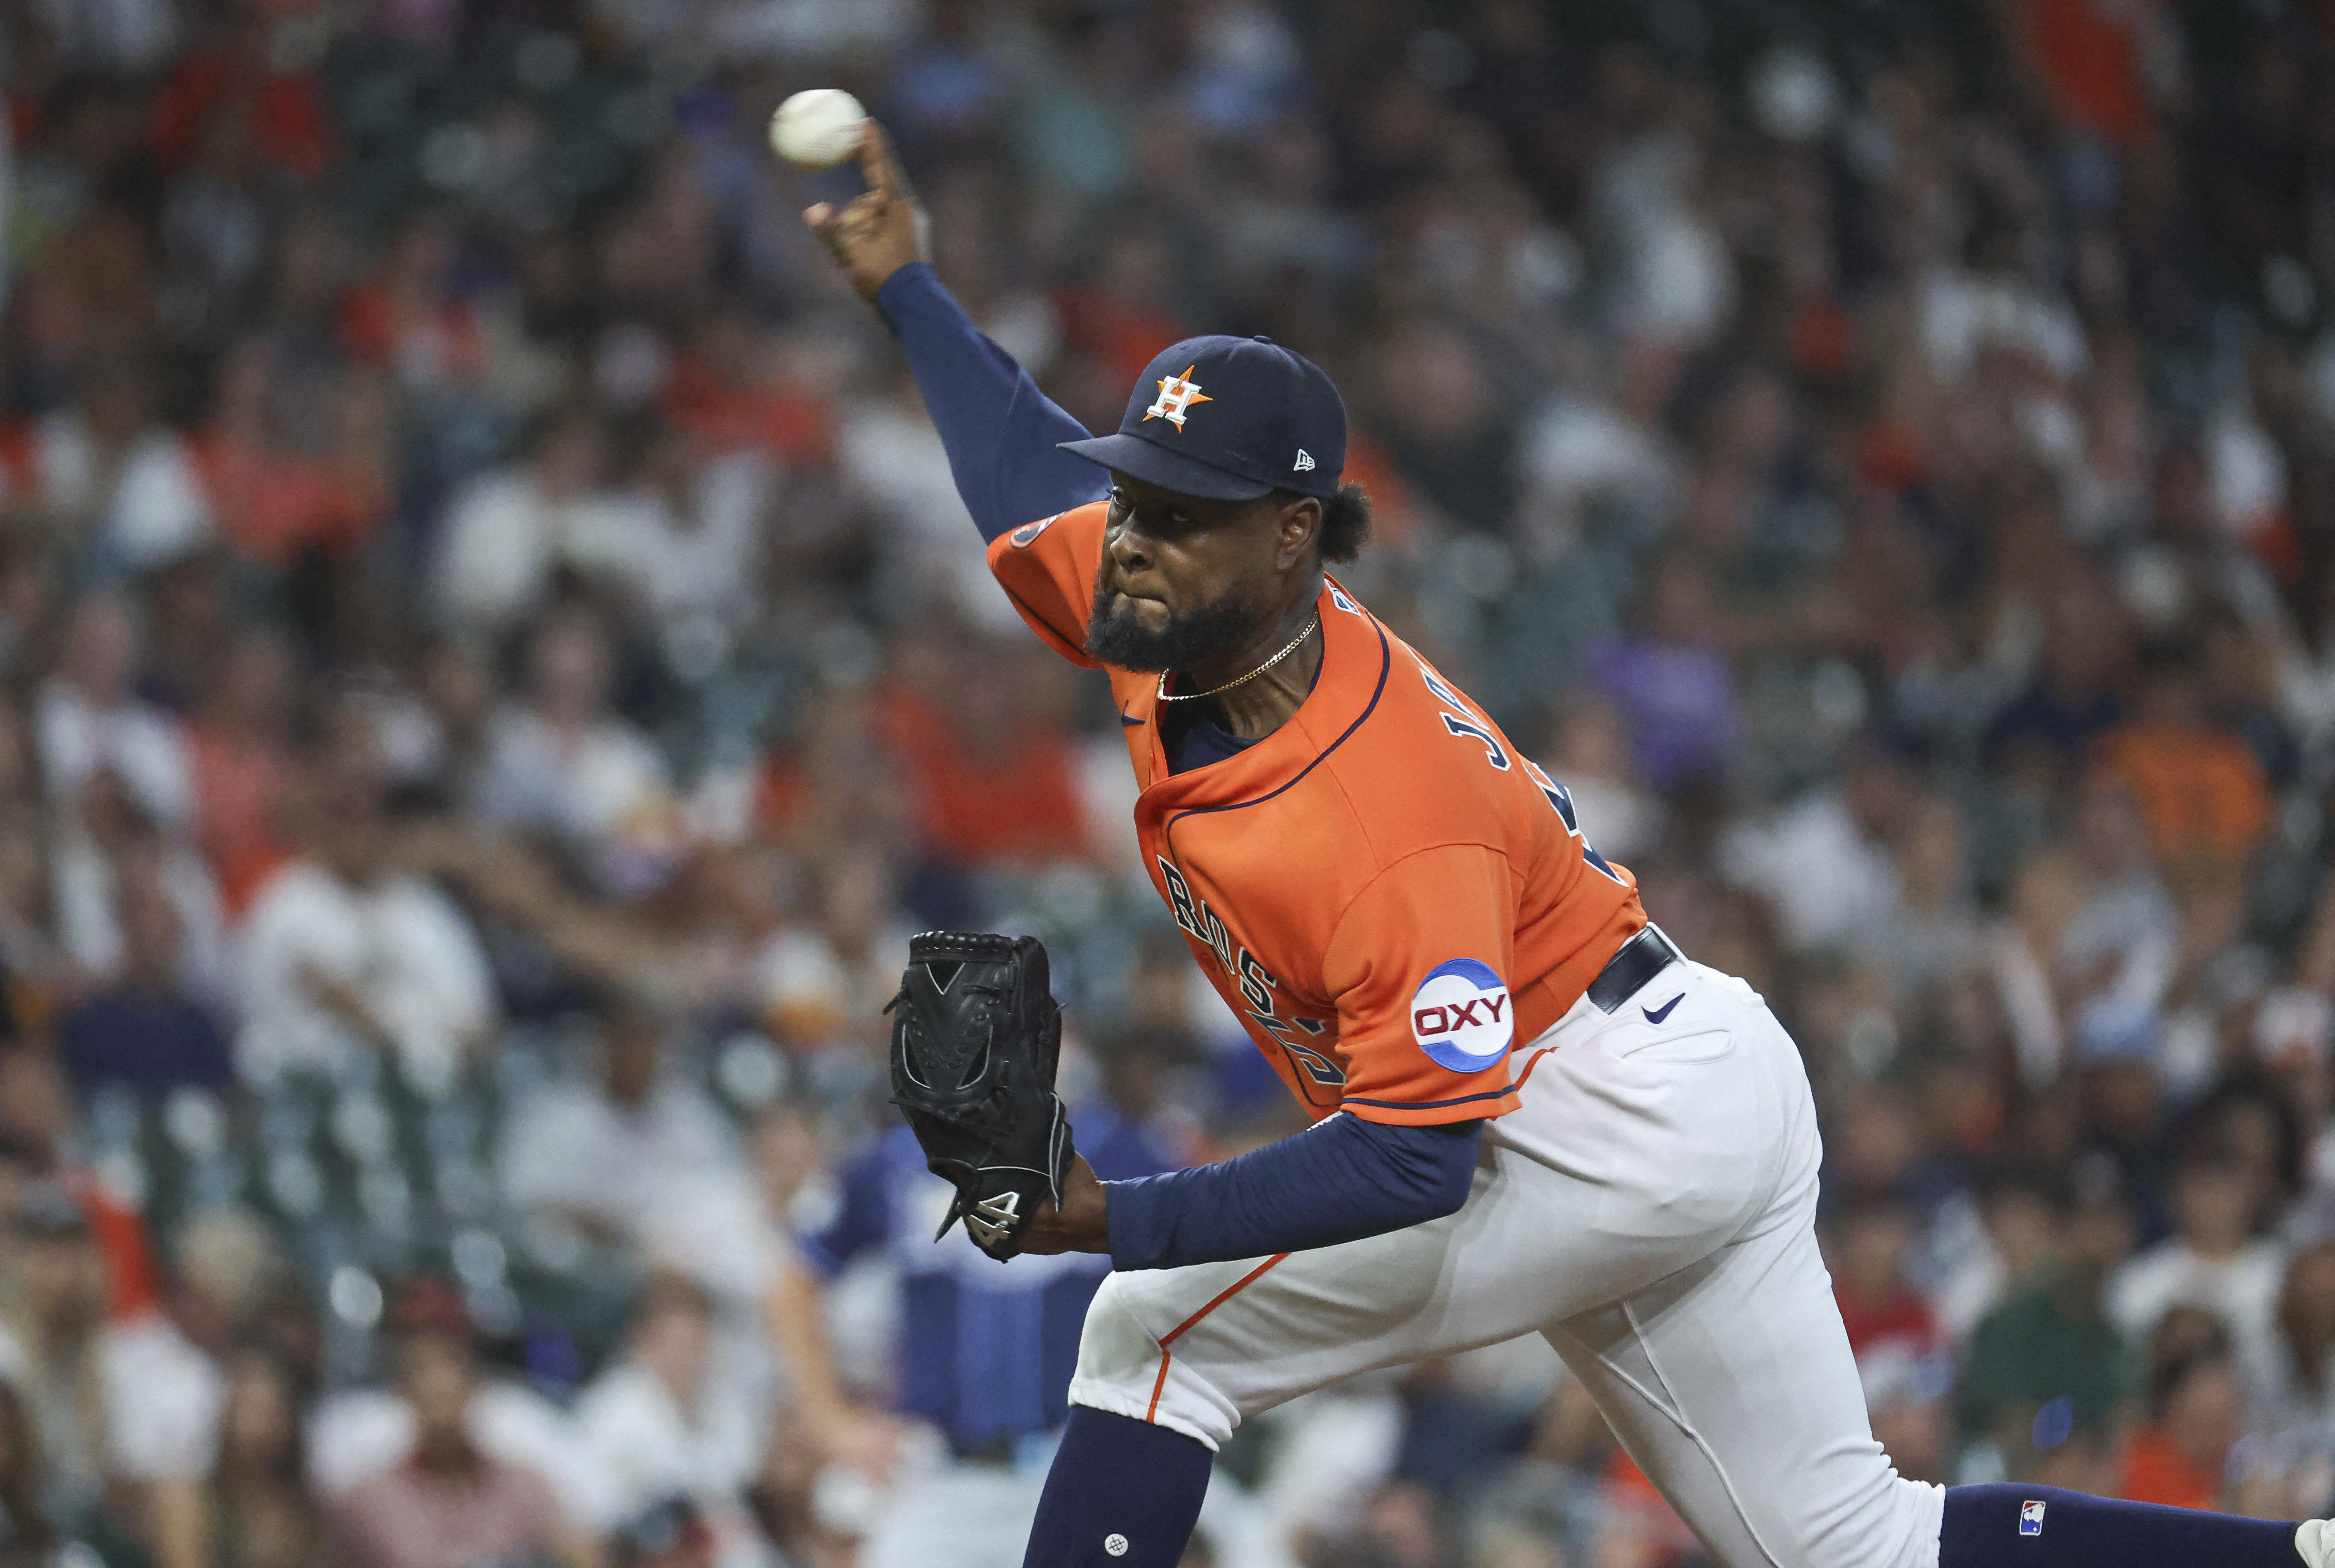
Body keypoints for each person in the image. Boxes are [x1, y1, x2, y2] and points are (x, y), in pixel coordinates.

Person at [804, 120, 2335, 1568]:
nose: (1130, 531)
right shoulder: (1168, 598)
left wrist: (1112, 1214)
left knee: (1149, 1336)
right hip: (1668, 1056)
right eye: (1135, 491)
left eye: (1178, 511)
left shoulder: (1379, 813)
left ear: (1291, 538)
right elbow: (1019, 468)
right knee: (1845, 1543)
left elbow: (1415, 1161)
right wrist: (906, 285)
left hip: (1595, 1114)